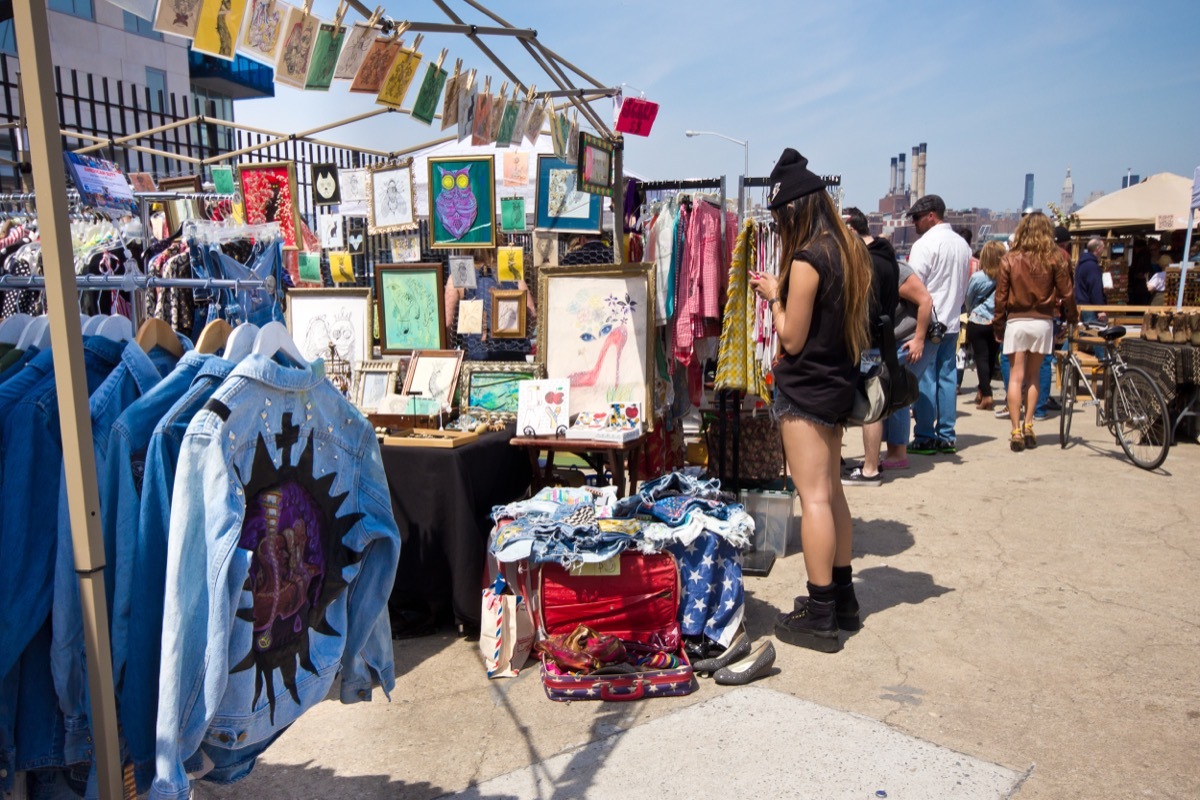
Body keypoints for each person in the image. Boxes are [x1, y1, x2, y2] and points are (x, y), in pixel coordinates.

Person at [748, 149, 871, 652]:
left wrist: (774, 296)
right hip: (837, 382)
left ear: (792, 210)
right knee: (832, 491)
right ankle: (842, 598)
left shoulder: (806, 258)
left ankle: (820, 610)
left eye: (779, 218)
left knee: (814, 497)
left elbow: (792, 338)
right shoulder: (847, 249)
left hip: (806, 388)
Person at [994, 211, 1078, 451]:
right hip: (1043, 321)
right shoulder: (1055, 258)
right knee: (1034, 376)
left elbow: (1000, 297)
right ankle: (1029, 423)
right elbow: (1067, 292)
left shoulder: (1010, 258)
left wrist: (998, 326)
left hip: (1016, 321)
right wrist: (1071, 317)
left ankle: (1015, 429)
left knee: (1015, 376)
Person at [905, 194, 971, 455]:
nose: (914, 224)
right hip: (952, 322)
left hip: (928, 322)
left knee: (923, 380)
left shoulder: (925, 244)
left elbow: (912, 285)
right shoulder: (962, 245)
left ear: (931, 215)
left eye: (917, 218)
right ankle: (947, 435)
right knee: (947, 378)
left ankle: (924, 435)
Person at [841, 207, 899, 487]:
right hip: (881, 340)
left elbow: (863, 307)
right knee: (873, 404)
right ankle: (870, 465)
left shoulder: (866, 263)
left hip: (864, 340)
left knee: (868, 407)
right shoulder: (888, 258)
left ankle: (870, 468)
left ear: (851, 231)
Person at [880, 259, 933, 470]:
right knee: (890, 393)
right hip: (897, 340)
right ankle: (894, 449)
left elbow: (925, 300)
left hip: (911, 339)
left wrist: (919, 339)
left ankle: (898, 452)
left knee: (898, 394)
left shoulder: (897, 270)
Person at [965, 242, 1003, 411]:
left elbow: (969, 298)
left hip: (978, 320)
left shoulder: (978, 277)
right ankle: (983, 390)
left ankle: (986, 394)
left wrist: (971, 310)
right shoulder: (1005, 276)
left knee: (980, 358)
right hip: (997, 321)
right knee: (991, 357)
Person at [1075, 238, 1108, 323]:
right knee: (1093, 333)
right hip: (1089, 307)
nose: (1103, 250)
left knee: (1082, 333)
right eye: (1103, 248)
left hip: (1080, 303)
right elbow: (1095, 289)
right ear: (1098, 249)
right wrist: (1100, 310)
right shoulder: (1092, 266)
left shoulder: (1081, 264)